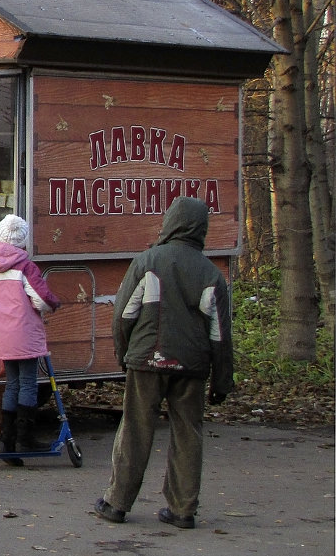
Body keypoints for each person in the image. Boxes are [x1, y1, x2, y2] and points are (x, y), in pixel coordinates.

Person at [94, 196, 234, 529]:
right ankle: (183, 510)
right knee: (188, 434)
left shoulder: (147, 262)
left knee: (135, 431)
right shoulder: (211, 274)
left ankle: (116, 503)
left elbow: (123, 316)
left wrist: (125, 355)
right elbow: (220, 335)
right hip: (193, 367)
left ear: (170, 222)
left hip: (146, 360)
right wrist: (222, 382)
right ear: (201, 229)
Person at [0, 214, 60, 465]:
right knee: (29, 383)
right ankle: (25, 437)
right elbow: (41, 299)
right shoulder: (25, 267)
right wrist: (52, 305)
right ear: (23, 241)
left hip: (1, 336)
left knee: (11, 384)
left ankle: (6, 438)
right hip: (25, 334)